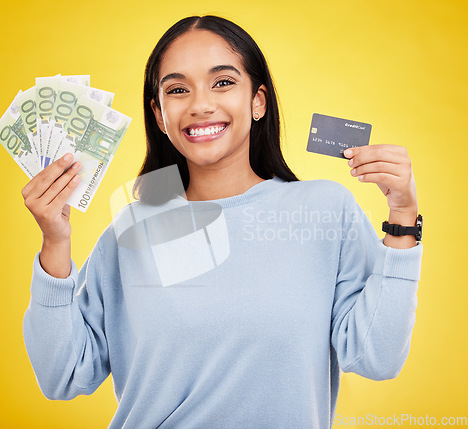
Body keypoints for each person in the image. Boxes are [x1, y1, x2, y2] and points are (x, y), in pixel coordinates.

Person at [22, 15, 423, 428]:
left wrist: (403, 218)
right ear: (160, 115)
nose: (200, 104)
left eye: (223, 82)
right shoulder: (132, 230)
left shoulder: (325, 210)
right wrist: (55, 241)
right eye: (178, 90)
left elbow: (377, 357)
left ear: (258, 101)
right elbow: (63, 375)